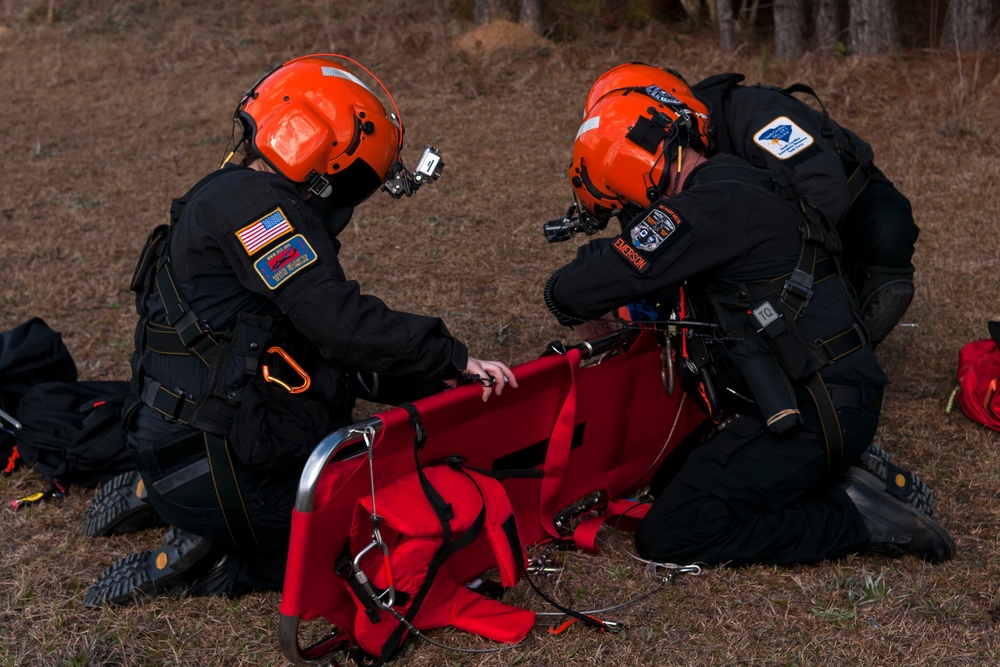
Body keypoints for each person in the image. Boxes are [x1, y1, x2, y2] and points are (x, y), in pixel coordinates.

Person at [82, 54, 517, 606]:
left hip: (175, 437)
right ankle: (217, 554)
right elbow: (337, 322)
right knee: (361, 534)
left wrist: (428, 374)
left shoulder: (228, 192)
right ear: (324, 154)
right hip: (213, 468)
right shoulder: (264, 215)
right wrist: (451, 357)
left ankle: (164, 494)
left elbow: (303, 333)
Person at [542, 83, 954, 567]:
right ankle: (841, 474)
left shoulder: (703, 209)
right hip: (828, 396)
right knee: (673, 481)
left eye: (622, 203)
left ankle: (854, 517)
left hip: (811, 412)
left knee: (673, 533)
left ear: (631, 170)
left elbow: (580, 287)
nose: (631, 217)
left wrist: (562, 297)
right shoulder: (742, 181)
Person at [582, 63, 919, 346]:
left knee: (887, 230)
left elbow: (824, 188)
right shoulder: (661, 155)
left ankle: (848, 329)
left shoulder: (758, 115)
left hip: (844, 204)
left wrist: (755, 251)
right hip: (759, 221)